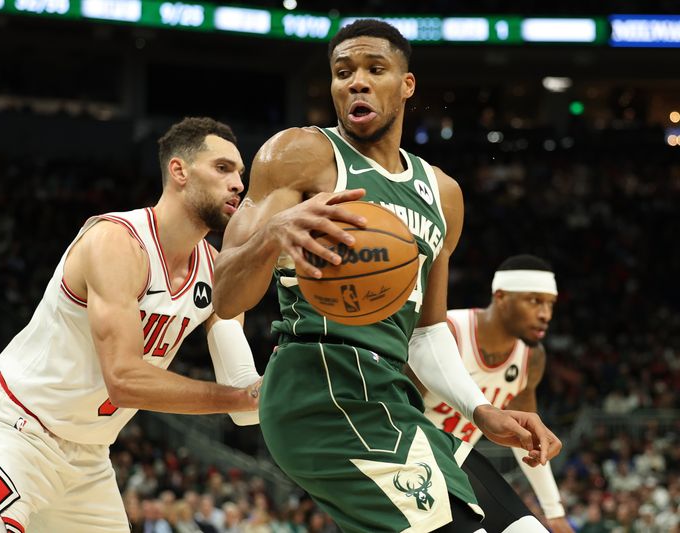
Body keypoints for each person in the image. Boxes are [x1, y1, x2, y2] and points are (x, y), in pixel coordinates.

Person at [213, 19, 561, 533]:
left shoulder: (442, 193)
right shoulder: (300, 155)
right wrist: (273, 234)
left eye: (375, 69)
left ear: (406, 84)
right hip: (321, 386)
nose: (357, 81)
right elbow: (224, 296)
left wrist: (481, 411)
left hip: (391, 393)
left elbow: (426, 333)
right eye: (342, 72)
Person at [0, 117, 262, 533]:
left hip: (90, 459)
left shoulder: (215, 270)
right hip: (19, 432)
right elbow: (125, 379)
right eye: (223, 168)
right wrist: (237, 398)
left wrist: (267, 250)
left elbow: (245, 399)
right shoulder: (117, 242)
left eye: (241, 173)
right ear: (179, 171)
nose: (239, 183)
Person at [412, 254, 573, 532]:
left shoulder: (531, 357)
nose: (545, 314)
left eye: (550, 304)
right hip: (414, 464)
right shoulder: (442, 334)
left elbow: (528, 442)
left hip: (459, 462)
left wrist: (554, 513)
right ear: (500, 296)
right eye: (534, 301)